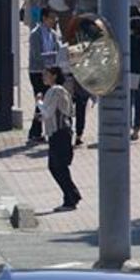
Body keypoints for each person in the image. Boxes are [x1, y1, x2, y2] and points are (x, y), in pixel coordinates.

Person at [41, 65, 81, 211]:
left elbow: (48, 112)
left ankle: (71, 198)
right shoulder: (61, 91)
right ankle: (71, 195)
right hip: (63, 132)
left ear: (54, 75)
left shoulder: (55, 91)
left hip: (58, 133)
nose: (44, 77)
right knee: (59, 166)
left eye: (47, 74)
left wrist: (39, 102)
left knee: (57, 166)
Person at [27, 7, 61, 144]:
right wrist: (47, 63)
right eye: (51, 18)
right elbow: (36, 55)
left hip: (49, 72)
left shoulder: (53, 34)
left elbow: (57, 50)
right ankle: (35, 131)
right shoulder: (35, 34)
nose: (54, 21)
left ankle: (37, 131)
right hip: (37, 72)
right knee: (41, 100)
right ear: (44, 18)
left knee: (46, 100)